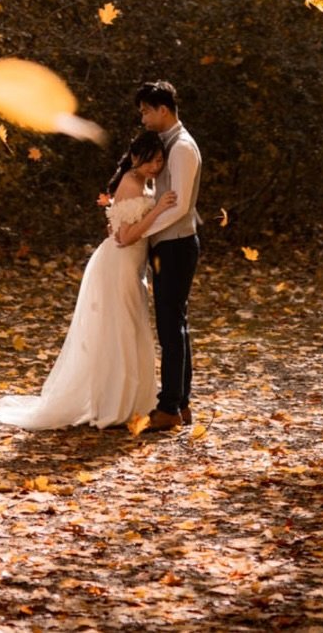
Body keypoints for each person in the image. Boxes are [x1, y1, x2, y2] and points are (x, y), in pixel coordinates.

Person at [0, 131, 177, 431]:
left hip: (131, 265)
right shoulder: (130, 181)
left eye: (160, 161)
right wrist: (159, 210)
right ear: (137, 156)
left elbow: (119, 227)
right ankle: (114, 406)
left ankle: (132, 402)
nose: (156, 166)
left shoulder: (144, 181)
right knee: (120, 330)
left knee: (129, 328)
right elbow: (126, 237)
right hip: (120, 264)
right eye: (151, 160)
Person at [135, 79, 201, 432]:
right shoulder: (169, 144)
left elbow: (180, 205)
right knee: (175, 324)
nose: (143, 119)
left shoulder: (182, 149)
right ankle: (182, 402)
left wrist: (139, 231)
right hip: (167, 244)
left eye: (146, 111)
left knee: (170, 326)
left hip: (175, 244)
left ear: (163, 109)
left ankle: (170, 406)